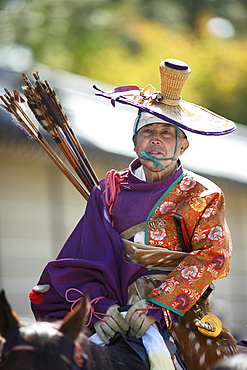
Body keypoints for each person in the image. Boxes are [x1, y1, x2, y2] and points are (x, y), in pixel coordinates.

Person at [29, 59, 236, 368]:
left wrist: (158, 305)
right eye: (148, 131)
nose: (156, 139)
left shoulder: (203, 194)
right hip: (110, 313)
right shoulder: (108, 191)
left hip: (176, 312)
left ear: (183, 146)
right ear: (134, 142)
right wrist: (101, 309)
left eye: (168, 133)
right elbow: (85, 258)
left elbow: (213, 256)